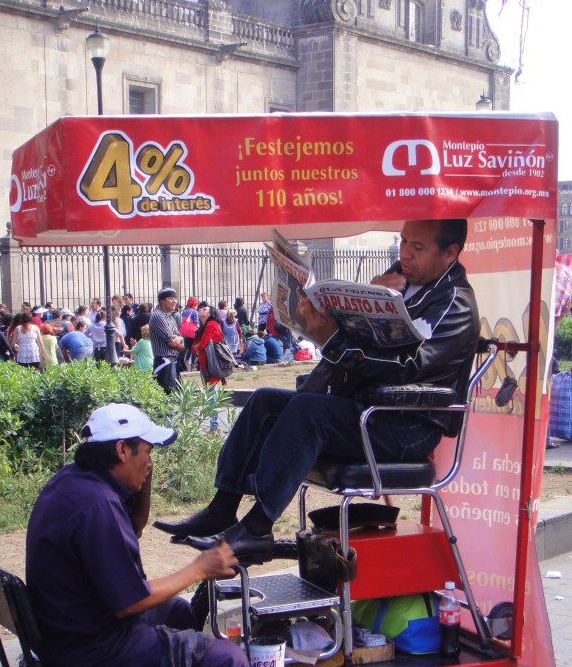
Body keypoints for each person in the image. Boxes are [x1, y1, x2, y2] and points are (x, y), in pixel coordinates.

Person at [157, 220, 479, 564]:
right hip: (364, 405)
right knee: (265, 400)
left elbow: (407, 366)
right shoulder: (401, 277)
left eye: (418, 247)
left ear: (450, 254)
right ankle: (222, 508)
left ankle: (258, 526)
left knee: (308, 412)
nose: (405, 253)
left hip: (405, 423)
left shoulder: (455, 304)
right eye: (403, 242)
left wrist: (335, 340)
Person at [25, 403, 279, 667]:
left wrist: (142, 480)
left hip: (69, 629)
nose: (150, 460)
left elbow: (135, 529)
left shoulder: (76, 482)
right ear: (122, 449)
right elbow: (131, 601)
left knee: (178, 614)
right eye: (146, 451)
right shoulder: (95, 507)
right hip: (91, 645)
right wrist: (200, 567)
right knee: (228, 664)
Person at [193, 302, 225, 433]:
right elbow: (195, 345)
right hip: (206, 364)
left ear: (210, 313)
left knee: (211, 396)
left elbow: (201, 345)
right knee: (210, 394)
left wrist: (197, 347)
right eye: (199, 308)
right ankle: (214, 426)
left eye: (204, 308)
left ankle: (214, 427)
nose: (201, 309)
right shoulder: (203, 326)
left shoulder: (211, 325)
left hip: (211, 365)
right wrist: (196, 347)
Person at [149, 288, 184, 393]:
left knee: (177, 393)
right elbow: (171, 340)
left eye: (175, 298)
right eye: (170, 298)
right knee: (169, 394)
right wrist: (181, 343)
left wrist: (180, 340)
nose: (174, 301)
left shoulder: (170, 317)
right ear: (162, 301)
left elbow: (179, 338)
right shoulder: (158, 316)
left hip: (172, 360)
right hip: (164, 361)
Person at [179, 297, 200, 371]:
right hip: (193, 333)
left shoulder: (184, 311)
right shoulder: (194, 312)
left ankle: (186, 360)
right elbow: (196, 323)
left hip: (185, 333)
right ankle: (193, 363)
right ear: (194, 304)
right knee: (194, 348)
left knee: (188, 348)